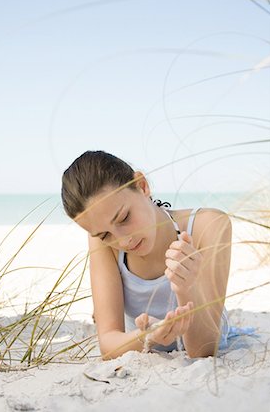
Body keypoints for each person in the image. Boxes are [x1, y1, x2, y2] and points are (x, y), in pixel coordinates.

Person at [61, 150, 253, 360]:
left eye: (124, 218)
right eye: (105, 234)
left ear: (142, 186)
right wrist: (146, 337)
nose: (123, 241)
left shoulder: (208, 225)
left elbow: (203, 350)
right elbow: (108, 343)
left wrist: (186, 288)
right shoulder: (102, 244)